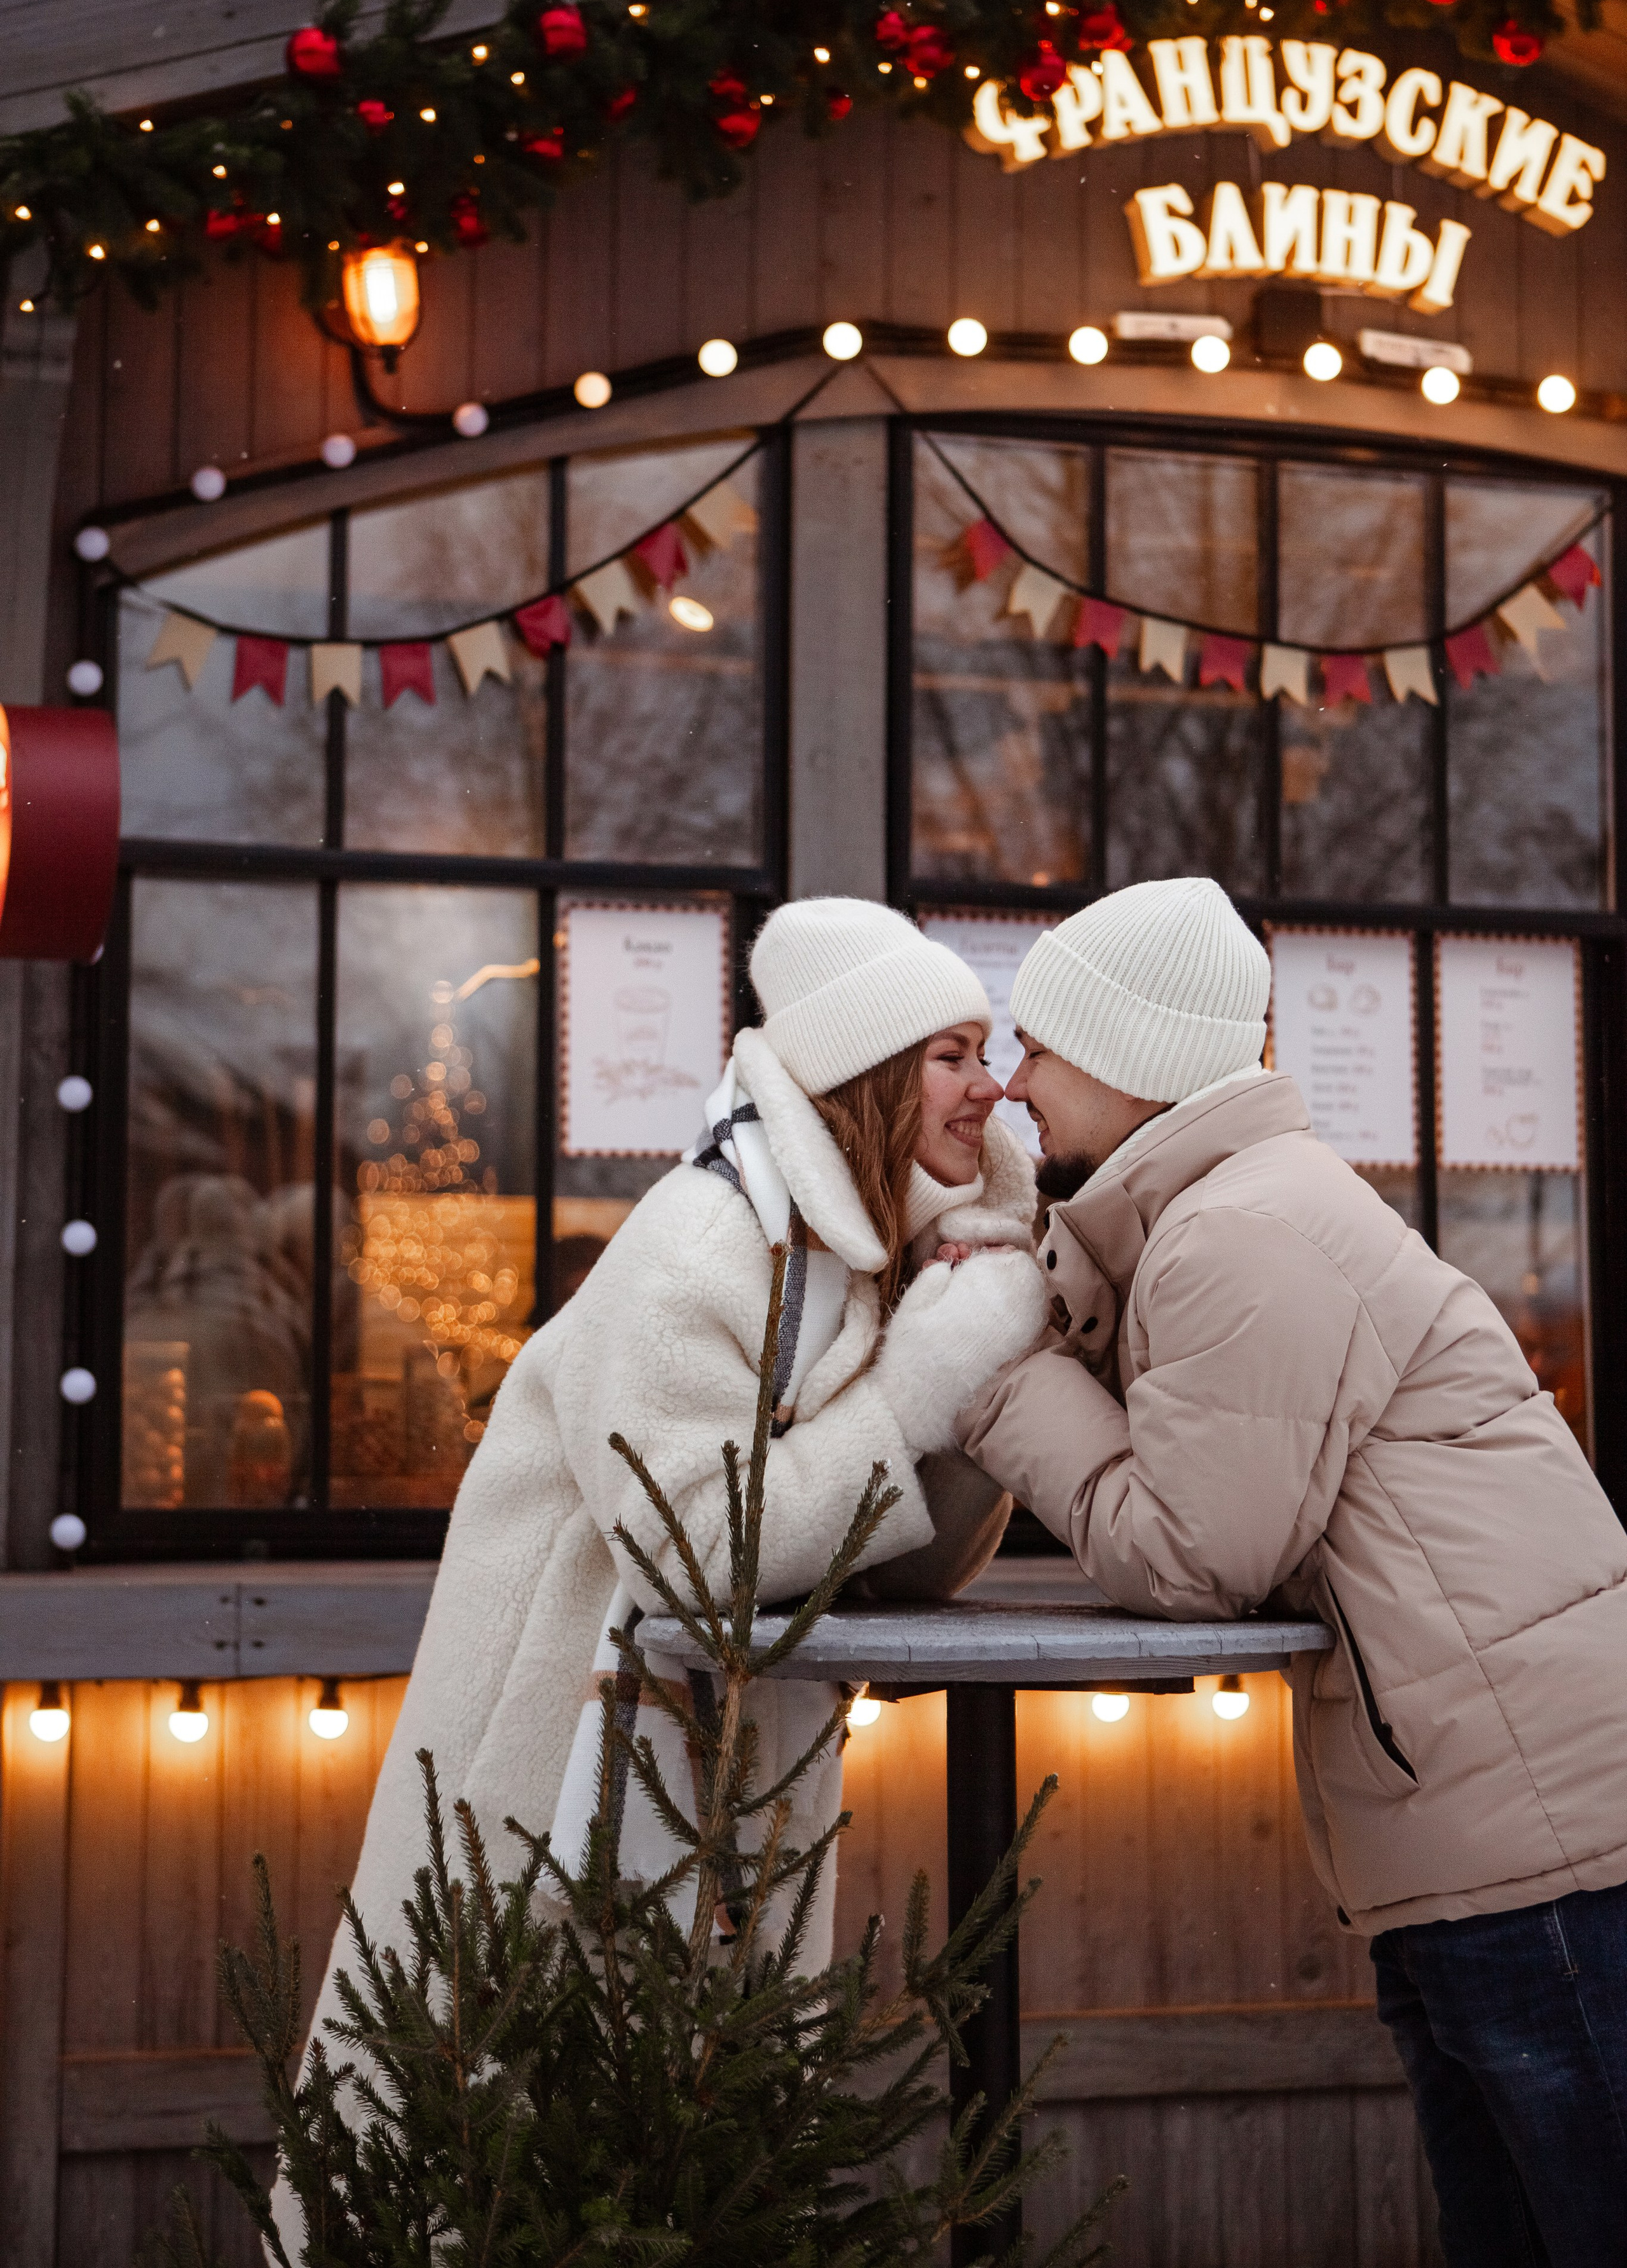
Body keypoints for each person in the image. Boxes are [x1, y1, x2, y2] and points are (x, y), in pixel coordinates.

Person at [283, 899, 1042, 2212]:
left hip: (717, 1788)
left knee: (680, 2170)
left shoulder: (848, 1259)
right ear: (865, 1071)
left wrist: (982, 1338)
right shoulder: (702, 1242)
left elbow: (898, 1561)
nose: (990, 1089)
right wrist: (919, 1387)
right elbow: (693, 1551)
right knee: (502, 2173)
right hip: (552, 1784)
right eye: (952, 1054)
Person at [955, 875, 1627, 2267]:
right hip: (1488, 1826)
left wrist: (995, 1377)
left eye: (1038, 1046)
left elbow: (1194, 1556)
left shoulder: (1241, 1235)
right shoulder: (1217, 1219)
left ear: (1131, 1060)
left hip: (1536, 1848)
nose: (1012, 1085)